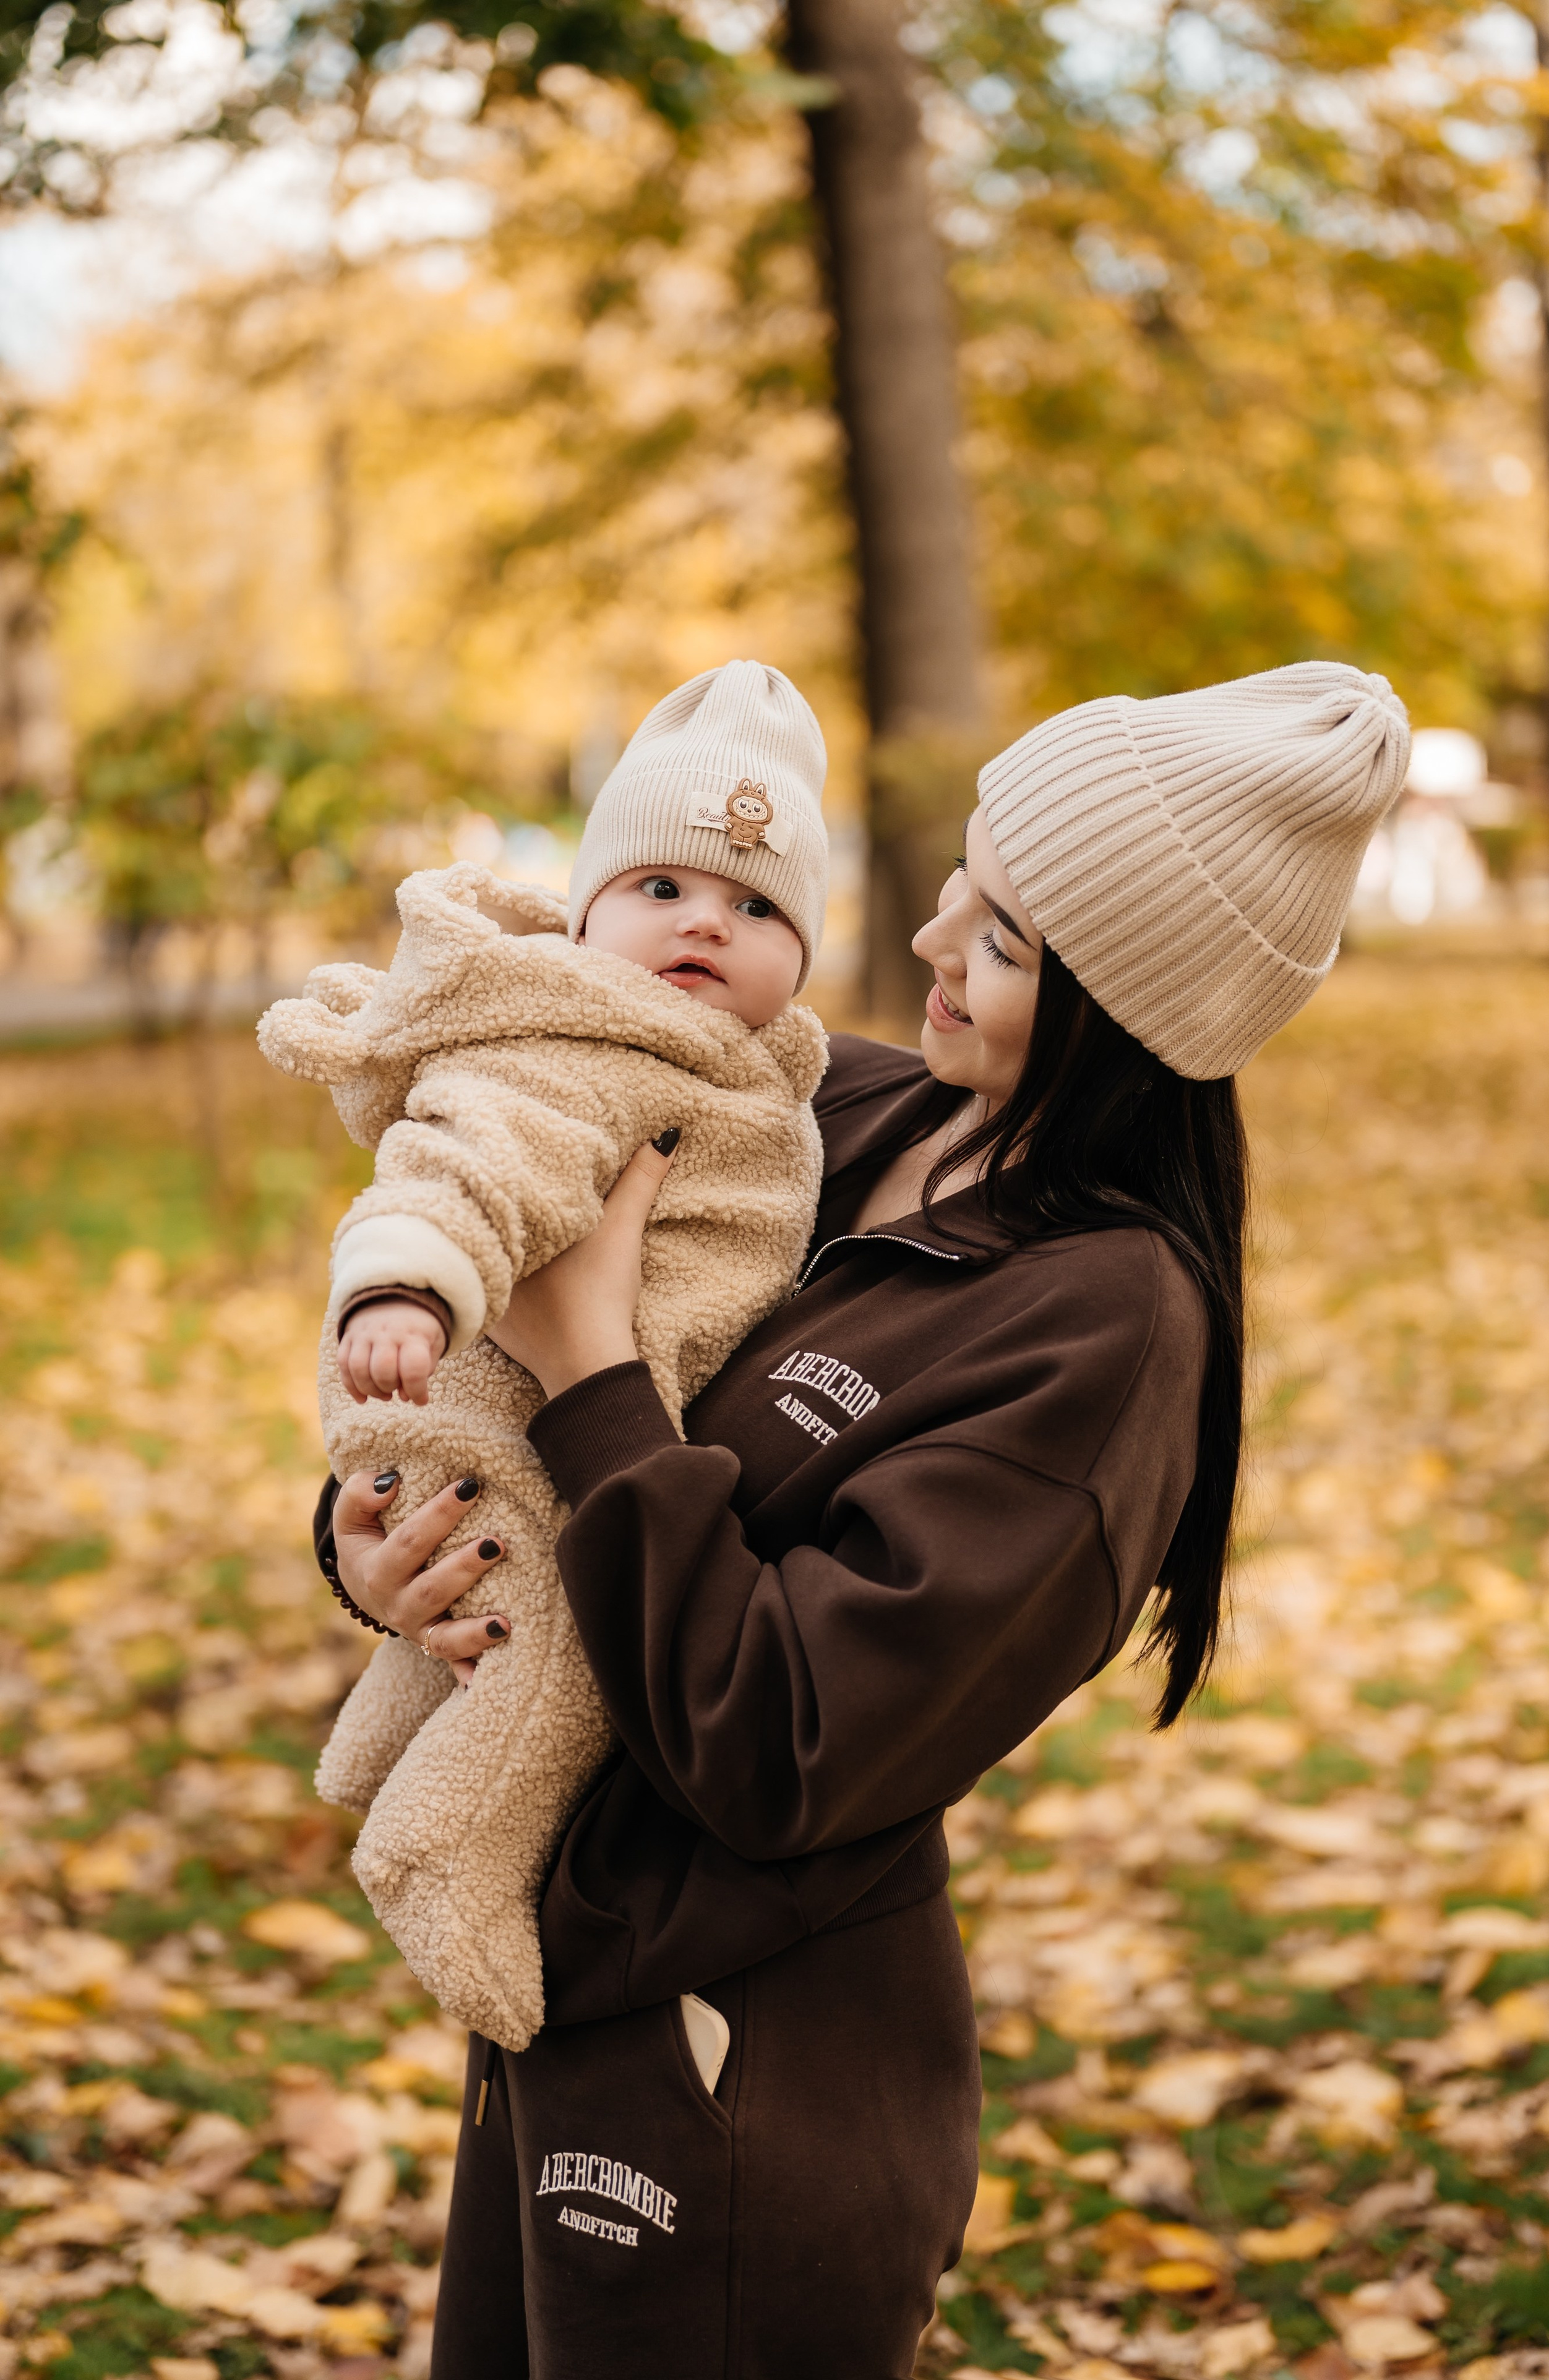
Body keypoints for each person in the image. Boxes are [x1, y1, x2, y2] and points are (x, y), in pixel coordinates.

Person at [317, 662, 1410, 2378]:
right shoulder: (842, 1111)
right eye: (965, 881)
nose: (928, 943)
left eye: (1002, 940)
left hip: (744, 2059)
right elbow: (503, 1310)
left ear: (1128, 1011)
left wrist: (593, 1362)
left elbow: (789, 1746)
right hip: (564, 1983)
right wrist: (382, 1542)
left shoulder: (1105, 1334)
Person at [266, 659, 833, 2050]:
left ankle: (381, 1743)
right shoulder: (583, 1041)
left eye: (756, 906)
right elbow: (471, 1158)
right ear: (584, 913)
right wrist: (403, 1281)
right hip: (494, 1398)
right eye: (661, 890)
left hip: (559, 1417)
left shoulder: (750, 1068)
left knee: (473, 1619)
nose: (705, 922)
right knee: (555, 1654)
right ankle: (438, 1855)